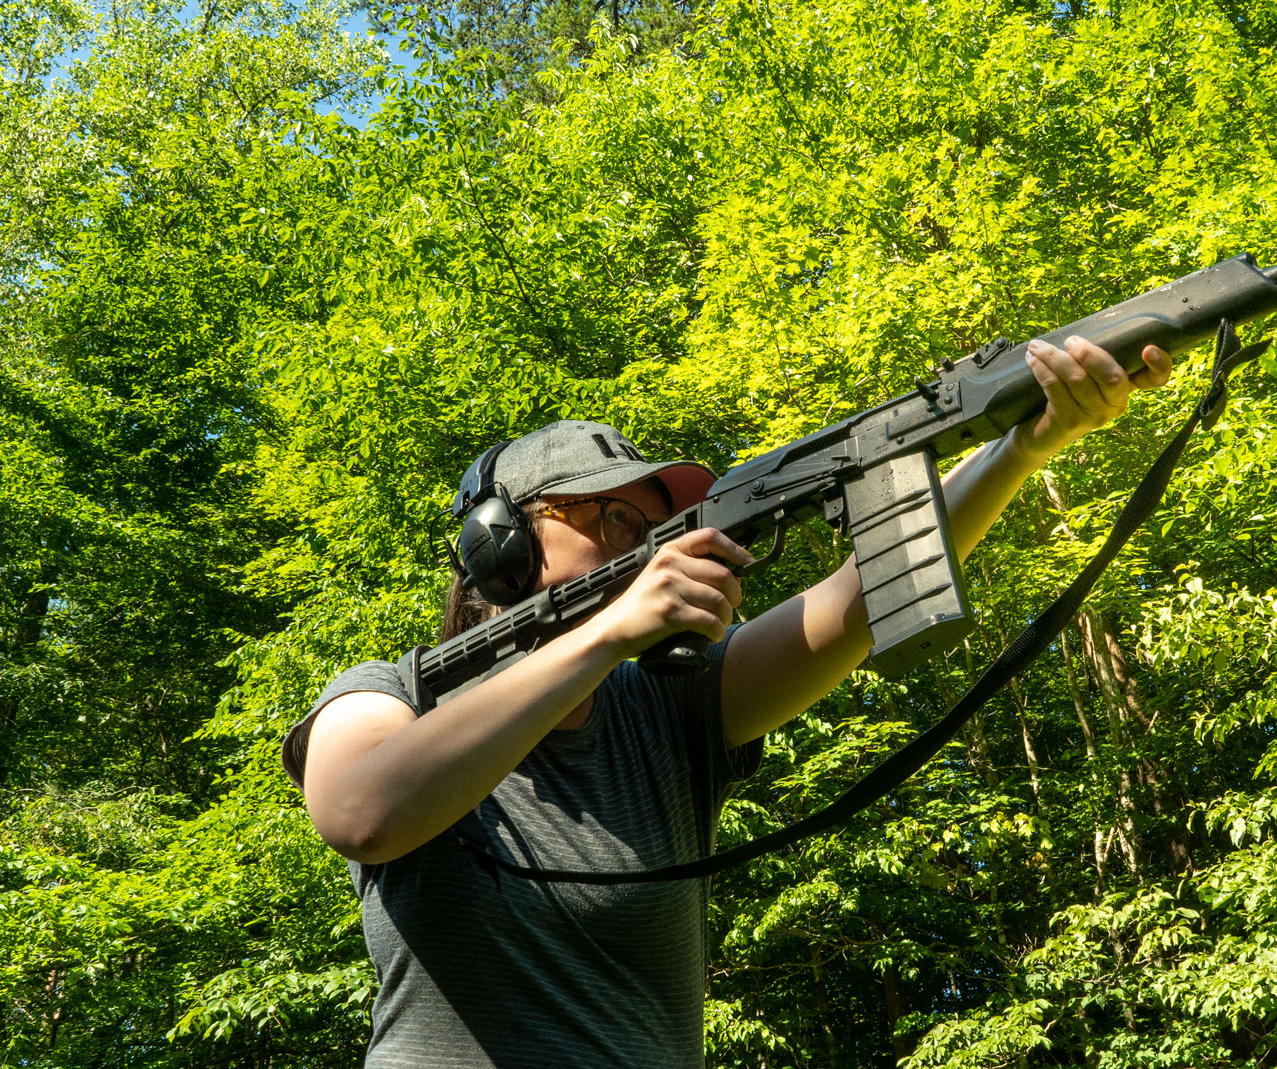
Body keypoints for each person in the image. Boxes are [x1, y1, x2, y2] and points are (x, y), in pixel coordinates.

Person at [281, 335, 1173, 1067]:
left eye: (652, 520)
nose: (642, 542)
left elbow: (858, 602)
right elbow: (363, 812)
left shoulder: (662, 710)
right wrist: (608, 634)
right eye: (607, 520)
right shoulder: (389, 694)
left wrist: (1024, 443)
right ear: (499, 546)